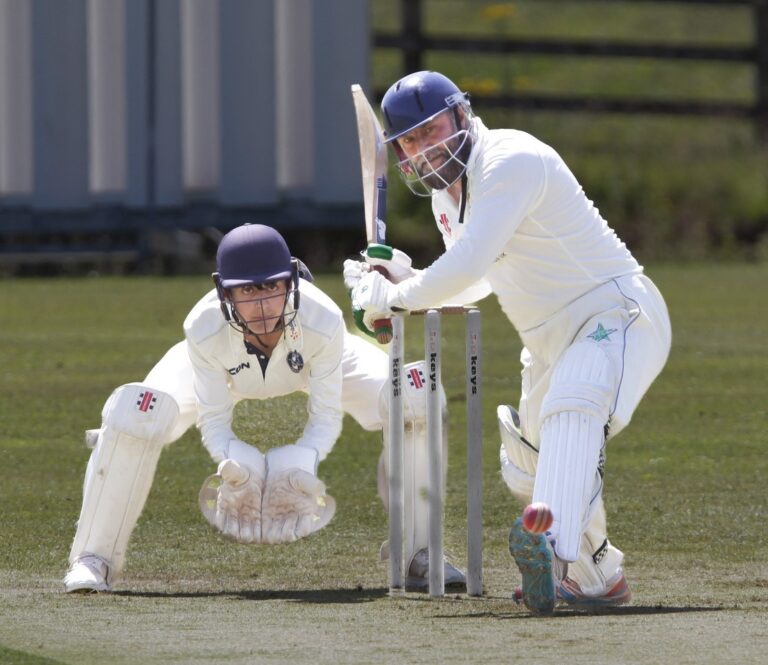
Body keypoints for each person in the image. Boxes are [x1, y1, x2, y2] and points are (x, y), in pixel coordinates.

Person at [347, 71, 672, 615]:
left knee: (575, 403)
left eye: (434, 130)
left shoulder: (509, 160)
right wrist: (402, 282)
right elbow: (480, 275)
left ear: (461, 115)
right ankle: (595, 576)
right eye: (411, 141)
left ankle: (550, 542)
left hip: (615, 311)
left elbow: (469, 263)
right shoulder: (446, 200)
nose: (426, 147)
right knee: (527, 465)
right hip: (545, 342)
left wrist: (396, 298)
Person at [64, 223, 465, 594]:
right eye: (248, 291)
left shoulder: (321, 319)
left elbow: (325, 417)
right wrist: (236, 463)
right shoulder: (203, 327)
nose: (263, 304)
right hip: (224, 370)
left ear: (291, 281)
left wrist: (300, 462)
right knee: (135, 413)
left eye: (272, 287)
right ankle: (94, 557)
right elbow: (214, 419)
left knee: (415, 398)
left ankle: (419, 552)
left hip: (312, 360)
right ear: (225, 292)